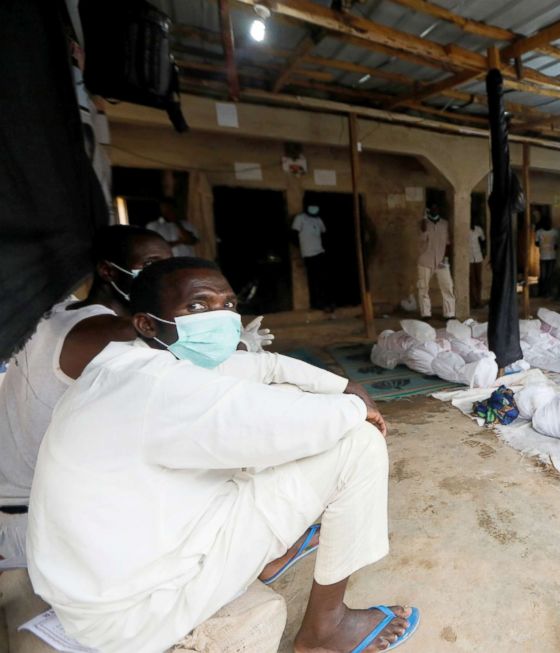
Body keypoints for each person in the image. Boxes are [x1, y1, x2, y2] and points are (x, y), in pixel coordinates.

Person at [27, 257, 419, 653]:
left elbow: (265, 365)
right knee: (357, 444)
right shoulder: (157, 387)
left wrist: (347, 385)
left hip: (103, 585)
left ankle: (268, 557)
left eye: (227, 304)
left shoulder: (130, 361)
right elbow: (285, 424)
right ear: (147, 323)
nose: (219, 317)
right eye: (197, 306)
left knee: (276, 406)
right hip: (136, 611)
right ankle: (326, 631)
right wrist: (357, 409)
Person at [0, 225, 172, 563]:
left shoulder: (57, 311)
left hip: (14, 508)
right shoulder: (105, 331)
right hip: (32, 525)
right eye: (151, 264)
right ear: (108, 271)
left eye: (168, 265)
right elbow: (165, 336)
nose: (163, 276)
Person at [291, 205, 335, 314]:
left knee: (324, 278)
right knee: (314, 279)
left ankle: (326, 302)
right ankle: (318, 304)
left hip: (320, 252)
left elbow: (324, 233)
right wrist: (302, 247)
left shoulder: (318, 220)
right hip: (308, 254)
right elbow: (293, 234)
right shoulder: (300, 218)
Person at [417, 202, 455, 319]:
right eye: (431, 208)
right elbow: (421, 239)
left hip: (441, 260)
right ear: (428, 210)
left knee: (447, 286)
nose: (434, 210)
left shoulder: (445, 224)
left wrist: (446, 258)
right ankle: (426, 314)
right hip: (425, 260)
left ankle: (449, 314)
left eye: (436, 208)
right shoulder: (423, 224)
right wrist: (423, 225)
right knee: (423, 288)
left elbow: (448, 243)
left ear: (439, 209)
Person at [535, 215, 558, 297]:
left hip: (552, 257)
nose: (548, 224)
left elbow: (557, 245)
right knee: (543, 276)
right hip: (543, 257)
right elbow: (536, 243)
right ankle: (542, 292)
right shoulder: (539, 232)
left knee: (549, 276)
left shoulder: (555, 232)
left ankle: (548, 292)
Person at [469, 216, 486, 308]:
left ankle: (479, 299)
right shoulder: (466, 229)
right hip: (469, 257)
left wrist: (484, 251)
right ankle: (473, 300)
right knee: (472, 279)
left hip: (478, 256)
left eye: (474, 220)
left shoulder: (478, 229)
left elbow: (483, 240)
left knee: (479, 279)